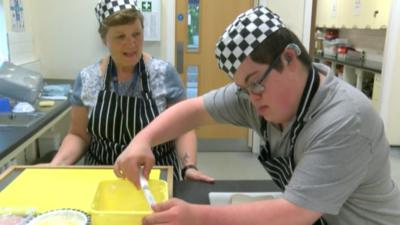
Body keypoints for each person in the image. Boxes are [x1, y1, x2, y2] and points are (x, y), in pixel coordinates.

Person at [113, 6, 400, 225]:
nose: (251, 98)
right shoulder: (258, 95)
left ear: (289, 57)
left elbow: (296, 212)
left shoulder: (345, 120)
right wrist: (143, 140)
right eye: (243, 87)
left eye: (256, 83)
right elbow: (195, 110)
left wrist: (195, 216)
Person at [49, 0, 213, 182]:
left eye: (136, 34)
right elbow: (78, 134)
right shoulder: (88, 78)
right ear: (104, 39)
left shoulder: (163, 73)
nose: (132, 43)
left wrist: (188, 166)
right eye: (120, 37)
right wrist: (56, 166)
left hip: (155, 174)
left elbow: (183, 128)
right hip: (104, 176)